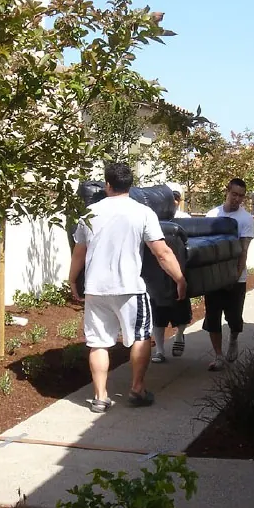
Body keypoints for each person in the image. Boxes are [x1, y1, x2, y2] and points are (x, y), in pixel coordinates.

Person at [68, 163, 187, 413]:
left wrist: (72, 281)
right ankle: (136, 390)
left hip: (96, 289)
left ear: (107, 184)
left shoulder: (90, 213)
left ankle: (100, 397)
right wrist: (179, 279)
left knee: (98, 343)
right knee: (141, 338)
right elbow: (162, 252)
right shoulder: (142, 212)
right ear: (130, 186)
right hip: (130, 289)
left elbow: (79, 253)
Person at [203, 178, 254, 371]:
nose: (237, 199)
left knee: (234, 317)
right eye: (234, 194)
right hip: (213, 278)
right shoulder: (212, 214)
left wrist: (235, 276)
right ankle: (218, 356)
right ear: (227, 191)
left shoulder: (246, 219)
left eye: (241, 196)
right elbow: (205, 246)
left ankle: (233, 339)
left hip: (236, 277)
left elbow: (243, 251)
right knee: (213, 316)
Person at [150, 188, 192, 363]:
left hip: (178, 273)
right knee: (158, 317)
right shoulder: (152, 220)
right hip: (157, 277)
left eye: (176, 199)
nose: (173, 203)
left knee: (181, 312)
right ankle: (159, 351)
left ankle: (179, 336)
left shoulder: (185, 220)